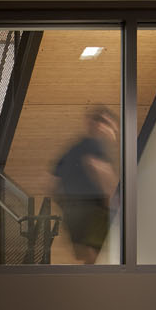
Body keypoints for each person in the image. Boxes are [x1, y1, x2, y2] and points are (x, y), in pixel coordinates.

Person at [51, 105, 120, 263]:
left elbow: (52, 180)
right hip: (91, 208)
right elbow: (97, 167)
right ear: (100, 125)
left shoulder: (75, 147)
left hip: (72, 208)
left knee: (87, 255)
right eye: (112, 128)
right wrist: (114, 200)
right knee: (96, 254)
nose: (113, 134)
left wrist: (63, 203)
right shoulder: (94, 145)